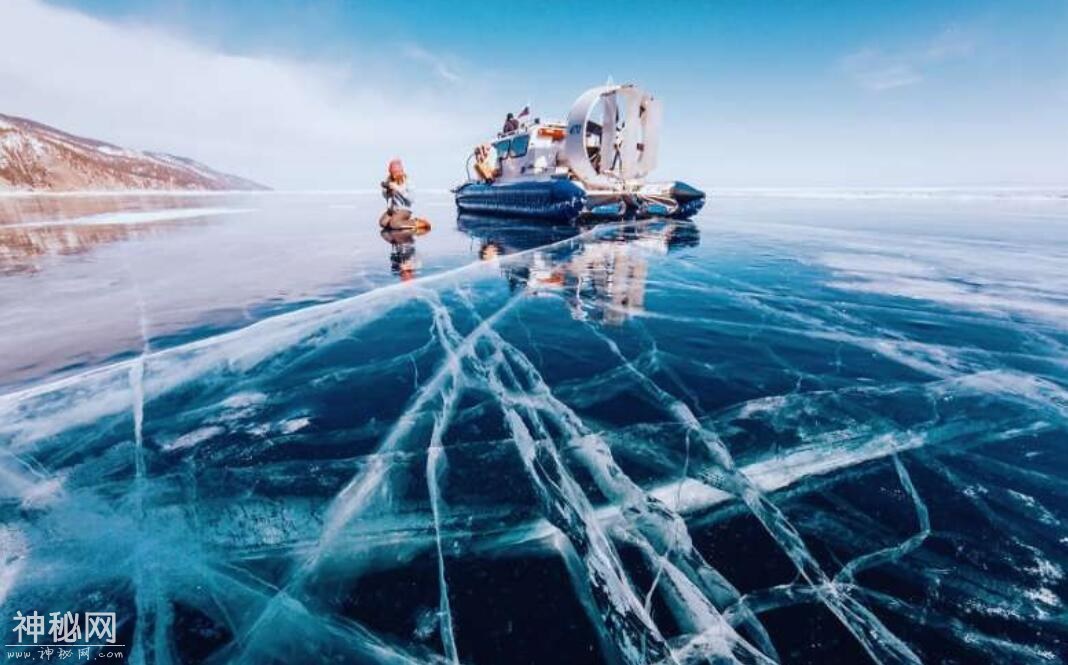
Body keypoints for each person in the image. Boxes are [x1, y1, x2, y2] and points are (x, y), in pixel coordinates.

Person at [378, 158, 429, 231]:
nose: (395, 175)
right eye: (393, 172)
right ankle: (398, 222)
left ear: (401, 171)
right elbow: (385, 196)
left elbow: (411, 199)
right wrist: (387, 192)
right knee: (383, 223)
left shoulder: (408, 182)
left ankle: (417, 223)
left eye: (396, 172)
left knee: (394, 224)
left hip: (404, 209)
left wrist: (398, 189)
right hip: (393, 209)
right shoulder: (390, 180)